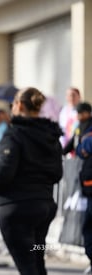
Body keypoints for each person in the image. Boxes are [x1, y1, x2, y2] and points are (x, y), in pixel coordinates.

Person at [0, 87, 63, 275]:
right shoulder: (52, 136)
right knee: (36, 262)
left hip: (17, 210)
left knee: (28, 266)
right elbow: (57, 174)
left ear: (18, 105)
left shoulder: (14, 135)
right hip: (44, 209)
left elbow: (3, 173)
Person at [71, 102, 92, 272]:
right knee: (87, 228)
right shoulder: (81, 128)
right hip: (88, 186)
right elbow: (79, 148)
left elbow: (84, 147)